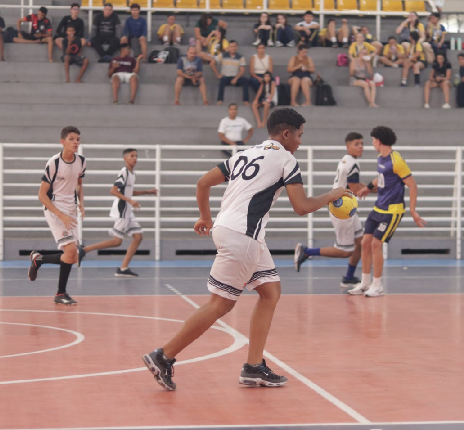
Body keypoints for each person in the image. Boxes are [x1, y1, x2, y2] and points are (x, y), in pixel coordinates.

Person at [142, 108, 350, 391]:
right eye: (300, 136)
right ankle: (163, 356)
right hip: (243, 236)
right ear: (286, 133)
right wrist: (332, 196)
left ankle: (254, 367)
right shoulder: (286, 159)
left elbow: (203, 182)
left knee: (270, 291)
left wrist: (205, 216)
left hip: (237, 232)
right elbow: (301, 207)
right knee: (221, 304)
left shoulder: (246, 153)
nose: (301, 142)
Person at [348, 126, 425, 297]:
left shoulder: (397, 161)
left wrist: (413, 211)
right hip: (378, 208)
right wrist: (367, 188)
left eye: (373, 140)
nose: (372, 143)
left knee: (376, 244)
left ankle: (378, 285)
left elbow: (412, 185)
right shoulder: (381, 158)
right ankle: (365, 283)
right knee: (365, 243)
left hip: (393, 211)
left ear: (379, 141)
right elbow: (381, 177)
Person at [294, 132, 367, 286]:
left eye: (362, 143)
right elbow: (354, 187)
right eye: (356, 144)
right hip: (342, 209)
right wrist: (377, 188)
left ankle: (348, 278)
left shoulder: (346, 160)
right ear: (348, 146)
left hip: (347, 207)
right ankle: (307, 251)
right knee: (345, 251)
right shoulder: (352, 162)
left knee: (361, 243)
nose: (360, 147)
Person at [28, 126, 86, 306]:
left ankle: (40, 261)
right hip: (55, 210)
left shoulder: (81, 161)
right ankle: (60, 292)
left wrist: (81, 202)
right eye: (71, 139)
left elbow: (79, 184)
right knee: (70, 251)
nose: (76, 142)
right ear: (62, 142)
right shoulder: (54, 163)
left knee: (73, 256)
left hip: (70, 211)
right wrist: (60, 214)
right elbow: (41, 195)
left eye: (78, 139)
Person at [77, 148, 158, 277]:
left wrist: (148, 192)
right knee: (117, 241)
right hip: (122, 210)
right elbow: (113, 191)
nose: (135, 158)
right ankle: (85, 249)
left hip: (128, 211)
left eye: (136, 156)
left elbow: (129, 191)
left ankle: (123, 268)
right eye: (132, 156)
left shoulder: (132, 174)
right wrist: (130, 201)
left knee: (138, 236)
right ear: (125, 158)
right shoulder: (124, 172)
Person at [212, 40, 249, 106]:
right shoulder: (223, 55)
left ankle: (246, 101)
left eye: (234, 46)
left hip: (236, 77)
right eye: (231, 46)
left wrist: (236, 78)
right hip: (225, 76)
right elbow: (212, 63)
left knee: (245, 81)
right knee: (222, 81)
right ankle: (219, 100)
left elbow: (242, 70)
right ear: (229, 47)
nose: (233, 48)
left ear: (237, 47)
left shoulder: (241, 57)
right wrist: (218, 75)